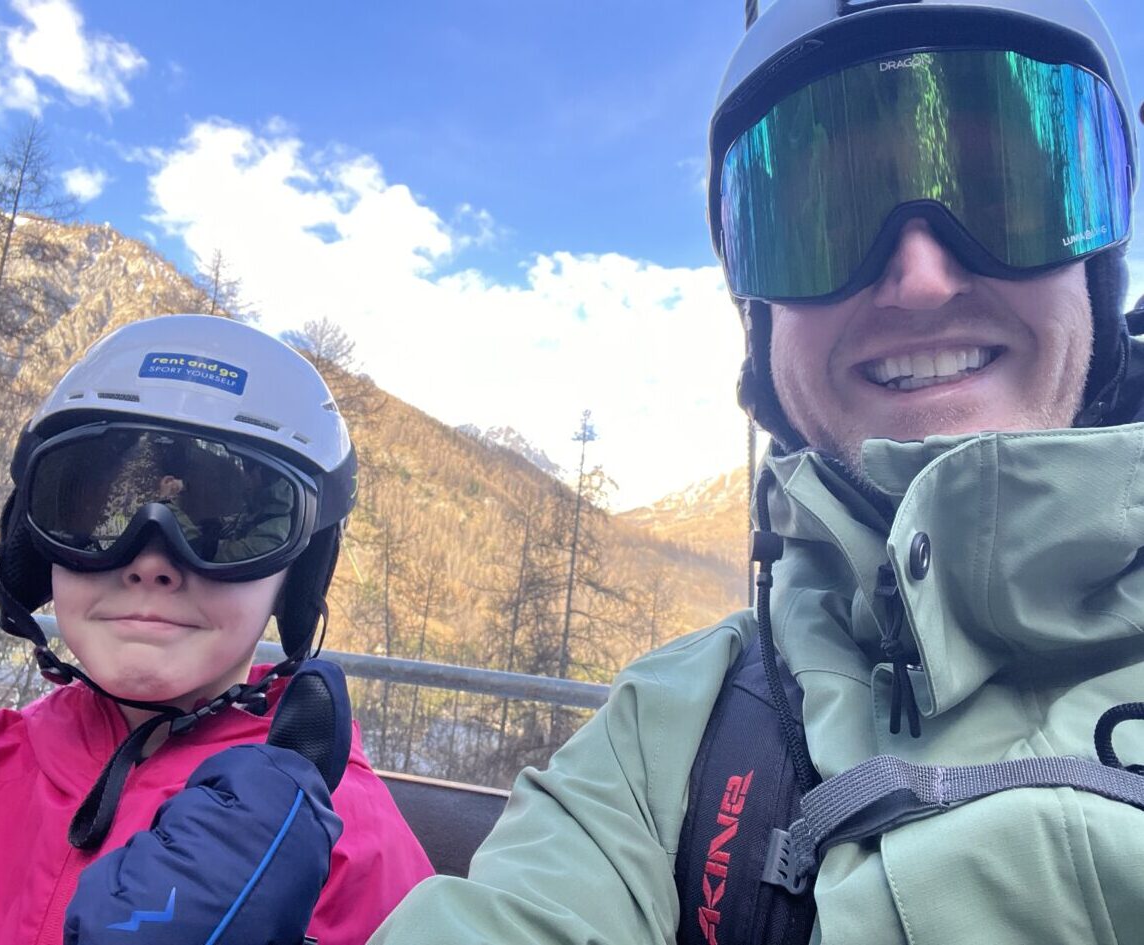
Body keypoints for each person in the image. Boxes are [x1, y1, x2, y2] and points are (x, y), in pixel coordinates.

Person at [371, 0, 1144, 942]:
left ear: (1100, 272)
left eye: (1007, 191)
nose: (921, 278)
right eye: (823, 221)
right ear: (761, 331)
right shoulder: (671, 738)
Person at [0, 314, 433, 944]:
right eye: (100, 519)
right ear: (33, 549)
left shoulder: (355, 854)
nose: (151, 563)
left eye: (226, 529)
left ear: (295, 577)